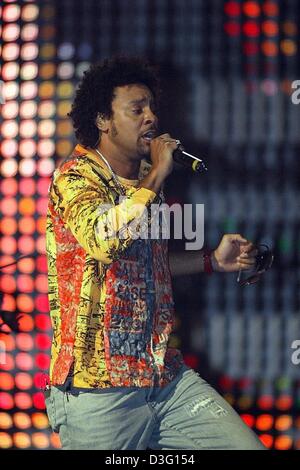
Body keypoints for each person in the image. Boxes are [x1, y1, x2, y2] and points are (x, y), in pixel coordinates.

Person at [45, 56, 265, 450]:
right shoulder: (74, 177)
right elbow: (105, 241)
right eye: (136, 109)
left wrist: (211, 260)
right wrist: (158, 173)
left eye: (151, 107)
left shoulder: (146, 181)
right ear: (102, 120)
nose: (151, 117)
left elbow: (147, 264)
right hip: (100, 389)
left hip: (162, 376)